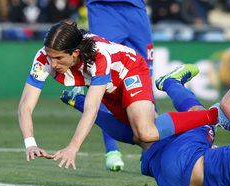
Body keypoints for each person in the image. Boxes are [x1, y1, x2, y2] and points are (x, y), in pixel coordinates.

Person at [18, 22, 219, 171]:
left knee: (146, 132)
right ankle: (202, 141)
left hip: (130, 71)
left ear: (76, 53)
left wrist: (73, 147)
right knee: (146, 139)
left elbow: (93, 108)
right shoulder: (43, 58)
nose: (52, 64)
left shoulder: (99, 57)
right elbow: (25, 105)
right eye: (50, 56)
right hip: (108, 88)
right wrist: (30, 143)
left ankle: (213, 114)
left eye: (58, 58)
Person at [61, 59, 230, 186]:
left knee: (202, 116)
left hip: (185, 161)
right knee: (142, 139)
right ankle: (77, 101)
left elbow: (228, 104)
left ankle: (170, 82)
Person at [84, 0, 154, 171]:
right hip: (103, 7)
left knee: (145, 76)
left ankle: (150, 151)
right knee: (103, 77)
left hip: (136, 9)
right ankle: (112, 150)